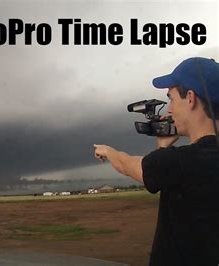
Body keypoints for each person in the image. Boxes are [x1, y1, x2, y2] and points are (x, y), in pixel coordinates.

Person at [93, 57, 219, 266]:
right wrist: (163, 148)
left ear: (190, 98)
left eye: (171, 99)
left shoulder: (179, 163)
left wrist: (107, 150)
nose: (169, 110)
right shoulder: (183, 164)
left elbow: (126, 165)